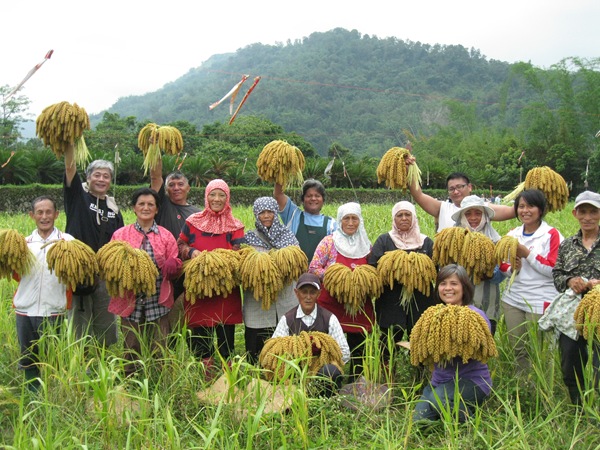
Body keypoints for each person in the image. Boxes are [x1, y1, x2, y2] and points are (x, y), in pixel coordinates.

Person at [108, 188, 181, 377]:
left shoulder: (165, 236)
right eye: (141, 204)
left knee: (160, 348)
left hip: (158, 302)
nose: (146, 208)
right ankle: (132, 385)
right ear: (134, 208)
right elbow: (111, 263)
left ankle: (159, 386)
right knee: (131, 347)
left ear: (157, 209)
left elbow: (175, 262)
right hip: (130, 303)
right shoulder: (120, 235)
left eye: (151, 204)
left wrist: (174, 265)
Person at [413, 264, 493, 422]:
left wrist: (451, 344)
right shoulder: (434, 316)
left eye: (454, 283)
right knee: (420, 421)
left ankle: (469, 420)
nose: (448, 288)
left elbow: (482, 349)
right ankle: (447, 417)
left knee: (439, 402)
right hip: (440, 381)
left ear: (464, 287)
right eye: (443, 284)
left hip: (471, 381)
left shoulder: (475, 316)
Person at [177, 179, 245, 365]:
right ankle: (204, 375)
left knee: (225, 339)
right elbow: (181, 244)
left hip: (225, 290)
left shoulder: (236, 226)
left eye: (221, 195)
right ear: (206, 197)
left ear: (227, 198)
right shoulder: (192, 222)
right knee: (200, 337)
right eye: (212, 194)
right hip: (199, 290)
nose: (217, 199)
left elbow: (238, 253)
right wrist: (191, 252)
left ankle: (227, 378)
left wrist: (221, 265)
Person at [13, 196, 75, 391]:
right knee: (28, 356)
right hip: (25, 310)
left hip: (54, 310)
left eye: (49, 212)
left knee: (53, 357)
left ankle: (54, 394)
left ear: (57, 214)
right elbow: (15, 274)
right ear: (32, 215)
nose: (44, 216)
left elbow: (77, 274)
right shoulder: (23, 244)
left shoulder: (68, 242)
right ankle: (33, 395)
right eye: (40, 212)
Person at [63, 144, 123, 347]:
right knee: (79, 327)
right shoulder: (78, 198)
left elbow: (120, 240)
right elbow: (70, 168)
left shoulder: (113, 208)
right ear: (88, 178)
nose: (101, 179)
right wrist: (70, 140)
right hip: (79, 273)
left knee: (106, 325)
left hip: (105, 277)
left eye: (106, 176)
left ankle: (103, 364)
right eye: (97, 175)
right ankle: (80, 367)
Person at [499, 189, 563, 375]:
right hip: (513, 299)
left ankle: (541, 390)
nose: (525, 210)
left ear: (541, 209)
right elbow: (501, 264)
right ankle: (523, 387)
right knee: (518, 347)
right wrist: (512, 268)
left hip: (539, 300)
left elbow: (553, 269)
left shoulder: (551, 234)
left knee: (539, 351)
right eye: (521, 206)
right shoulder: (512, 234)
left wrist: (526, 253)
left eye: (531, 206)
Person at [309, 202, 373, 381]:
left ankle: (356, 381)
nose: (351, 223)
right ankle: (327, 379)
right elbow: (313, 267)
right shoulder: (329, 242)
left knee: (358, 345)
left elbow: (372, 272)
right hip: (332, 303)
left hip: (358, 305)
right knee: (329, 344)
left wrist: (358, 281)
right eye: (347, 218)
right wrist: (338, 278)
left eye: (355, 219)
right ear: (340, 221)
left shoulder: (366, 245)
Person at [368, 201, 437, 360]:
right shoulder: (385, 240)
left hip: (421, 300)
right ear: (394, 218)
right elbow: (373, 268)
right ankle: (386, 376)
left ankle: (420, 375)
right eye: (400, 215)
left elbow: (436, 270)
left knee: (420, 341)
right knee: (388, 343)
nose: (404, 218)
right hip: (390, 301)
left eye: (408, 215)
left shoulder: (425, 242)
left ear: (414, 218)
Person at [551, 191, 600, 405]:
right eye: (583, 212)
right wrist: (570, 280)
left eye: (593, 212)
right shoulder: (567, 244)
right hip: (573, 311)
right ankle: (578, 405)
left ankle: (596, 406)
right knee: (570, 358)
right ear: (575, 213)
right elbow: (557, 274)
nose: (587, 217)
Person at [243, 197, 301, 363]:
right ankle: (256, 377)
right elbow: (245, 267)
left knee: (284, 340)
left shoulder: (287, 235)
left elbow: (297, 263)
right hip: (258, 301)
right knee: (257, 342)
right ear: (256, 214)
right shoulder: (249, 238)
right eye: (262, 212)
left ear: (276, 214)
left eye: (270, 212)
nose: (267, 216)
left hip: (285, 298)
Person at [271, 272, 350, 394]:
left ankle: (325, 399)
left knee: (330, 372)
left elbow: (344, 352)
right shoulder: (287, 319)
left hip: (322, 372)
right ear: (297, 293)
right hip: (295, 371)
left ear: (318, 294)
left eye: (312, 292)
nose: (308, 297)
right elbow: (274, 350)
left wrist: (322, 359)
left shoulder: (329, 318)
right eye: (304, 292)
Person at [150, 159, 201, 329]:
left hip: (188, 269)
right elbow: (156, 177)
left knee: (188, 312)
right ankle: (165, 347)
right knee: (163, 312)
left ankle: (189, 346)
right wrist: (155, 146)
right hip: (164, 268)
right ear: (166, 190)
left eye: (180, 184)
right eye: (171, 184)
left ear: (188, 188)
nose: (176, 188)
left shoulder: (198, 213)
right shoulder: (162, 205)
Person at [450, 195, 503, 334]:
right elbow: (444, 271)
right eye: (468, 213)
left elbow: (501, 275)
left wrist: (487, 271)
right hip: (456, 303)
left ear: (484, 216)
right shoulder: (450, 240)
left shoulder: (496, 241)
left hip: (487, 303)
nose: (473, 218)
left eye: (478, 213)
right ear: (462, 216)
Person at [407, 166, 515, 231]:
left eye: (460, 187)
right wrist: (409, 169)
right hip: (449, 266)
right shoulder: (442, 208)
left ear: (469, 187)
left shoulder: (484, 208)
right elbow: (418, 195)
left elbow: (512, 211)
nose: (456, 191)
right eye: (451, 189)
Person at [274, 179, 336, 260]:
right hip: (294, 270)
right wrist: (281, 172)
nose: (313, 198)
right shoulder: (293, 215)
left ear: (323, 200)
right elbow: (278, 194)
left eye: (317, 196)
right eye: (309, 196)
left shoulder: (331, 224)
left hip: (320, 271)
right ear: (303, 199)